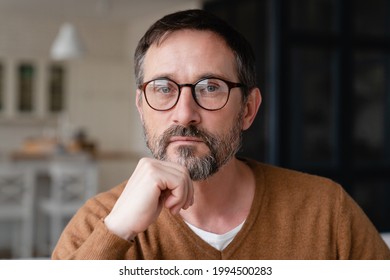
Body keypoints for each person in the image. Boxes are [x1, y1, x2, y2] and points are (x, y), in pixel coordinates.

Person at [52, 9, 390, 260]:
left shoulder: (327, 211)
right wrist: (117, 233)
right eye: (163, 88)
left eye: (210, 87)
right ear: (142, 106)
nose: (184, 113)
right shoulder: (100, 222)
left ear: (248, 109)